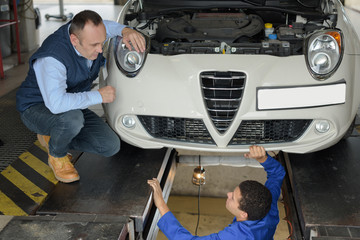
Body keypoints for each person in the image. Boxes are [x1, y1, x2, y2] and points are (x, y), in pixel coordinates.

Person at [16, 10, 146, 183]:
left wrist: (125, 31)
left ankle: (53, 135)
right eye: (94, 45)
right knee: (72, 119)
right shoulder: (52, 58)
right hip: (36, 108)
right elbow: (56, 105)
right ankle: (57, 155)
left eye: (102, 42)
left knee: (110, 146)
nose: (100, 49)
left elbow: (106, 27)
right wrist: (98, 96)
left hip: (71, 105)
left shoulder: (87, 35)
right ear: (74, 40)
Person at [147, 145, 286, 240]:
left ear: (244, 214)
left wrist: (161, 204)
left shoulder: (236, 236)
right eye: (233, 191)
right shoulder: (268, 200)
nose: (228, 194)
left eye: (233, 198)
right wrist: (263, 159)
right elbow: (277, 174)